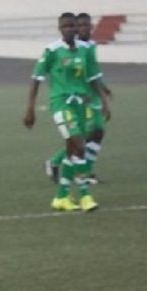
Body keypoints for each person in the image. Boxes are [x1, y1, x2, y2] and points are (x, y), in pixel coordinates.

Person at [24, 12, 109, 212]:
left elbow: (93, 77)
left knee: (72, 150)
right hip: (61, 104)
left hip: (80, 104)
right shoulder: (52, 51)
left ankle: (61, 196)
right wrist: (30, 108)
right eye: (66, 26)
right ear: (60, 29)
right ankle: (85, 195)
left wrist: (104, 101)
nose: (71, 29)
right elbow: (36, 79)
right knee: (79, 145)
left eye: (73, 26)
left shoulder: (85, 50)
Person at [44, 12, 112, 185]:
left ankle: (69, 165)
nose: (83, 28)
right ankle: (76, 169)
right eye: (79, 25)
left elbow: (93, 71)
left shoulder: (89, 46)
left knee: (96, 132)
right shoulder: (67, 49)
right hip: (79, 97)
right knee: (85, 134)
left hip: (91, 94)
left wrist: (103, 91)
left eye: (86, 25)